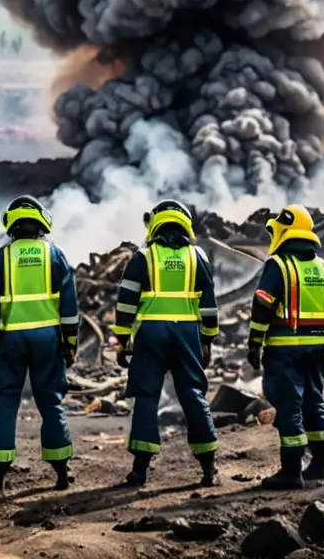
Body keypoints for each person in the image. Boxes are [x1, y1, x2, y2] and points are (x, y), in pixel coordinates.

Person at [112, 200, 220, 488]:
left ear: (155, 225)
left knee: (146, 398)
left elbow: (126, 304)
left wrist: (122, 341)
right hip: (187, 335)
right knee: (194, 396)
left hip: (150, 335)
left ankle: (139, 472)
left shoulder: (143, 257)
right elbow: (209, 305)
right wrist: (208, 340)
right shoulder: (198, 256)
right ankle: (209, 469)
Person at [0, 196, 78, 491]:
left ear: (11, 225)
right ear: (41, 223)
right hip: (48, 337)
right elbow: (70, 307)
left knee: (6, 399)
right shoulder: (55, 255)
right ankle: (61, 473)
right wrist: (70, 341)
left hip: (10, 338)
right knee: (50, 399)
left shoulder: (2, 257)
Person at [247, 205, 324, 489]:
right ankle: (318, 467)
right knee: (315, 403)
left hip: (284, 351)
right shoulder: (323, 267)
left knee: (289, 406)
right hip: (315, 352)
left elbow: (263, 304)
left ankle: (291, 473)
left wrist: (254, 345)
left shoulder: (277, 265)